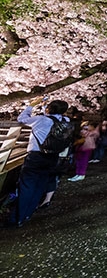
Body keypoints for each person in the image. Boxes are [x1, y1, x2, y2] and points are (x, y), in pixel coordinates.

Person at [5, 97, 70, 227]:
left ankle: (17, 219)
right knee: (39, 186)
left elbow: (22, 119)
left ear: (49, 109)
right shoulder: (65, 121)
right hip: (52, 157)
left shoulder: (42, 120)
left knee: (26, 187)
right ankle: (28, 214)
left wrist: (31, 105)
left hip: (36, 157)